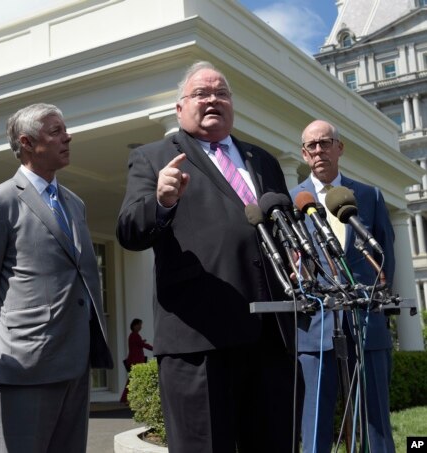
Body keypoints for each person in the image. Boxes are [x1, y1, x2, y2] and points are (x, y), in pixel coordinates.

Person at [116, 61, 300, 452]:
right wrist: (161, 201)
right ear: (179, 108)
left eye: (221, 93)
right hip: (199, 338)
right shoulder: (154, 157)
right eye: (201, 93)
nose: (213, 99)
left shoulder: (262, 160)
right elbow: (129, 231)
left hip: (270, 338)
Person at [0, 103, 114, 453]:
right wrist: (0, 345)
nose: (68, 136)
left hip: (76, 362)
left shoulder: (75, 203)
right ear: (27, 143)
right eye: (55, 130)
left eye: (65, 128)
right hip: (24, 364)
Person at [290, 120, 396, 453]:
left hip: (367, 325)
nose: (318, 150)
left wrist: (375, 301)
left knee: (376, 421)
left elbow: (386, 260)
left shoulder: (369, 196)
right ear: (304, 154)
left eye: (325, 142)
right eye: (311, 146)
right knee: (316, 422)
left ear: (340, 147)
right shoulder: (292, 201)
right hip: (315, 328)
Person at [120, 318, 153, 403]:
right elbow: (141, 345)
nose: (140, 327)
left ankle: (128, 399)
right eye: (139, 325)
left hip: (135, 360)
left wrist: (142, 342)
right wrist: (153, 348)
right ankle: (126, 399)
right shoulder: (135, 335)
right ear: (134, 326)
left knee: (133, 380)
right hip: (136, 361)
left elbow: (138, 344)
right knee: (133, 380)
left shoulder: (133, 335)